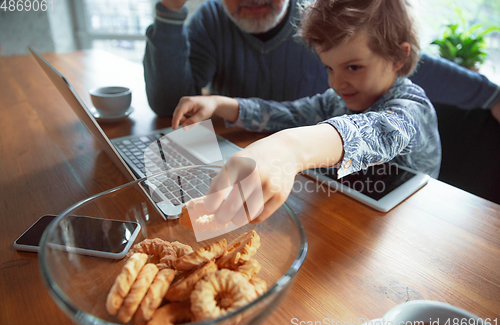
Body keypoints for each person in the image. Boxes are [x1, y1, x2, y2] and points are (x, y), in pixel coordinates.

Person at [170, 0, 441, 225]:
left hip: (405, 233)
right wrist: (221, 104)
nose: (336, 83)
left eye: (353, 67)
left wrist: (290, 148)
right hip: (345, 217)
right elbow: (288, 113)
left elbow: (376, 131)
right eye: (329, 68)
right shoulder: (335, 100)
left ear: (398, 58)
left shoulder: (412, 108)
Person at [144, 0, 500, 121]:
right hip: (250, 169)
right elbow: (166, 107)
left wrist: (491, 95)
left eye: (350, 68)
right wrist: (170, 12)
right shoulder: (209, 20)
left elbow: (415, 66)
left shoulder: (325, 18)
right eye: (329, 68)